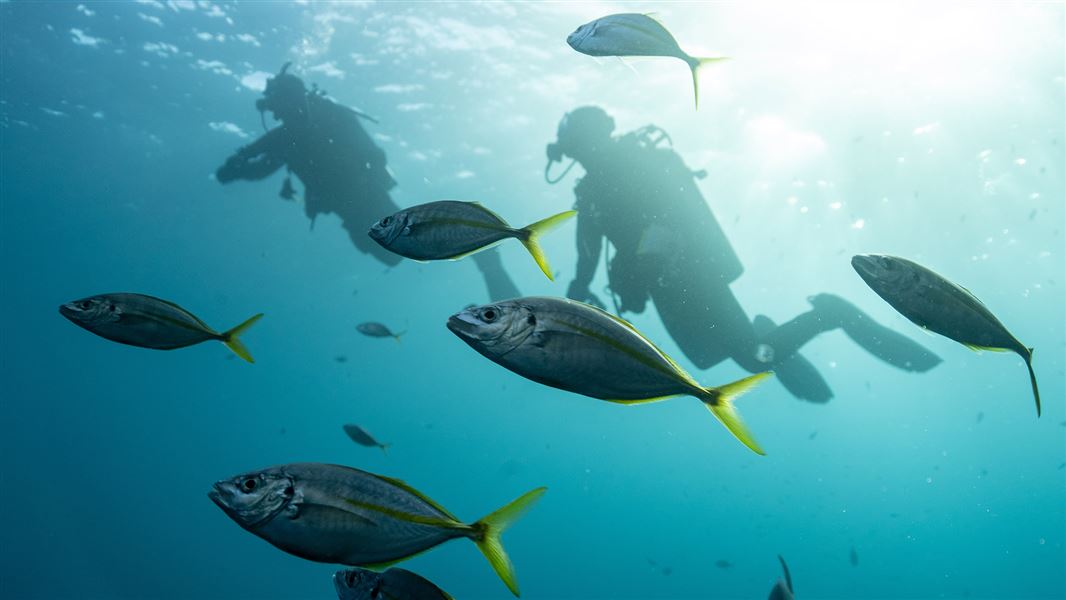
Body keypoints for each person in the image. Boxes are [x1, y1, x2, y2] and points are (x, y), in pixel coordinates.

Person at [545, 106, 941, 403]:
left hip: (692, 276)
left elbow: (667, 215)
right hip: (663, 287)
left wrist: (639, 264)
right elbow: (587, 251)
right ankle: (766, 336)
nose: (574, 152)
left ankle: (829, 315)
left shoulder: (634, 165)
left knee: (752, 359)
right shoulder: (592, 191)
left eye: (575, 144)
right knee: (705, 359)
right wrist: (579, 289)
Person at [215, 63, 519, 300]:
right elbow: (259, 168)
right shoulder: (290, 135)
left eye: (278, 102)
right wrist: (236, 165)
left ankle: (482, 251)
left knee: (406, 245)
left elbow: (371, 154)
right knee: (396, 253)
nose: (277, 109)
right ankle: (479, 247)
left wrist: (237, 165)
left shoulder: (318, 121)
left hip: (365, 196)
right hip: (352, 205)